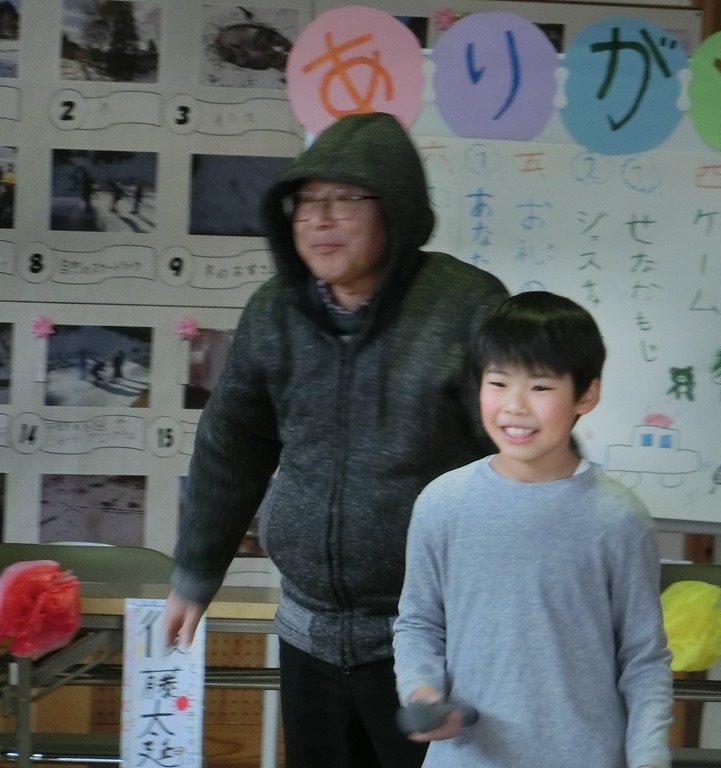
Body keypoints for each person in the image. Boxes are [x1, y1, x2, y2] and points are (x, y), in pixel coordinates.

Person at [162, 111, 508, 768]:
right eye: (306, 200)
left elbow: (522, 457)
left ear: (395, 209)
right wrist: (196, 571)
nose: (320, 219)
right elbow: (232, 442)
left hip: (429, 642)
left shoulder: (467, 306)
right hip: (309, 633)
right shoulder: (274, 311)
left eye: (345, 198)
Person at [393, 291, 674, 768]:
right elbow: (419, 622)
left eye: (541, 387)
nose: (515, 406)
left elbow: (643, 658)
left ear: (586, 394)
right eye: (498, 383)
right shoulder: (442, 503)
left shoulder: (619, 518)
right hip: (465, 758)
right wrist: (423, 691)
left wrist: (648, 755)